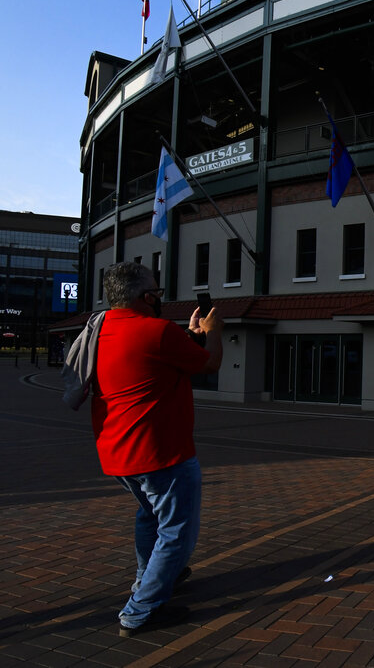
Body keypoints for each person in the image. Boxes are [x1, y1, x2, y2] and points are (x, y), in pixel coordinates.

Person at [89, 261, 223, 637]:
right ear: (146, 297)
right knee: (177, 532)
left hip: (117, 452)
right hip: (161, 453)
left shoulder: (101, 329)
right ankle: (140, 610)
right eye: (158, 293)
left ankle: (147, 582)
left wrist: (192, 335)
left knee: (150, 516)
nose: (160, 298)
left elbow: (161, 359)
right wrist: (214, 333)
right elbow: (210, 364)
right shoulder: (158, 331)